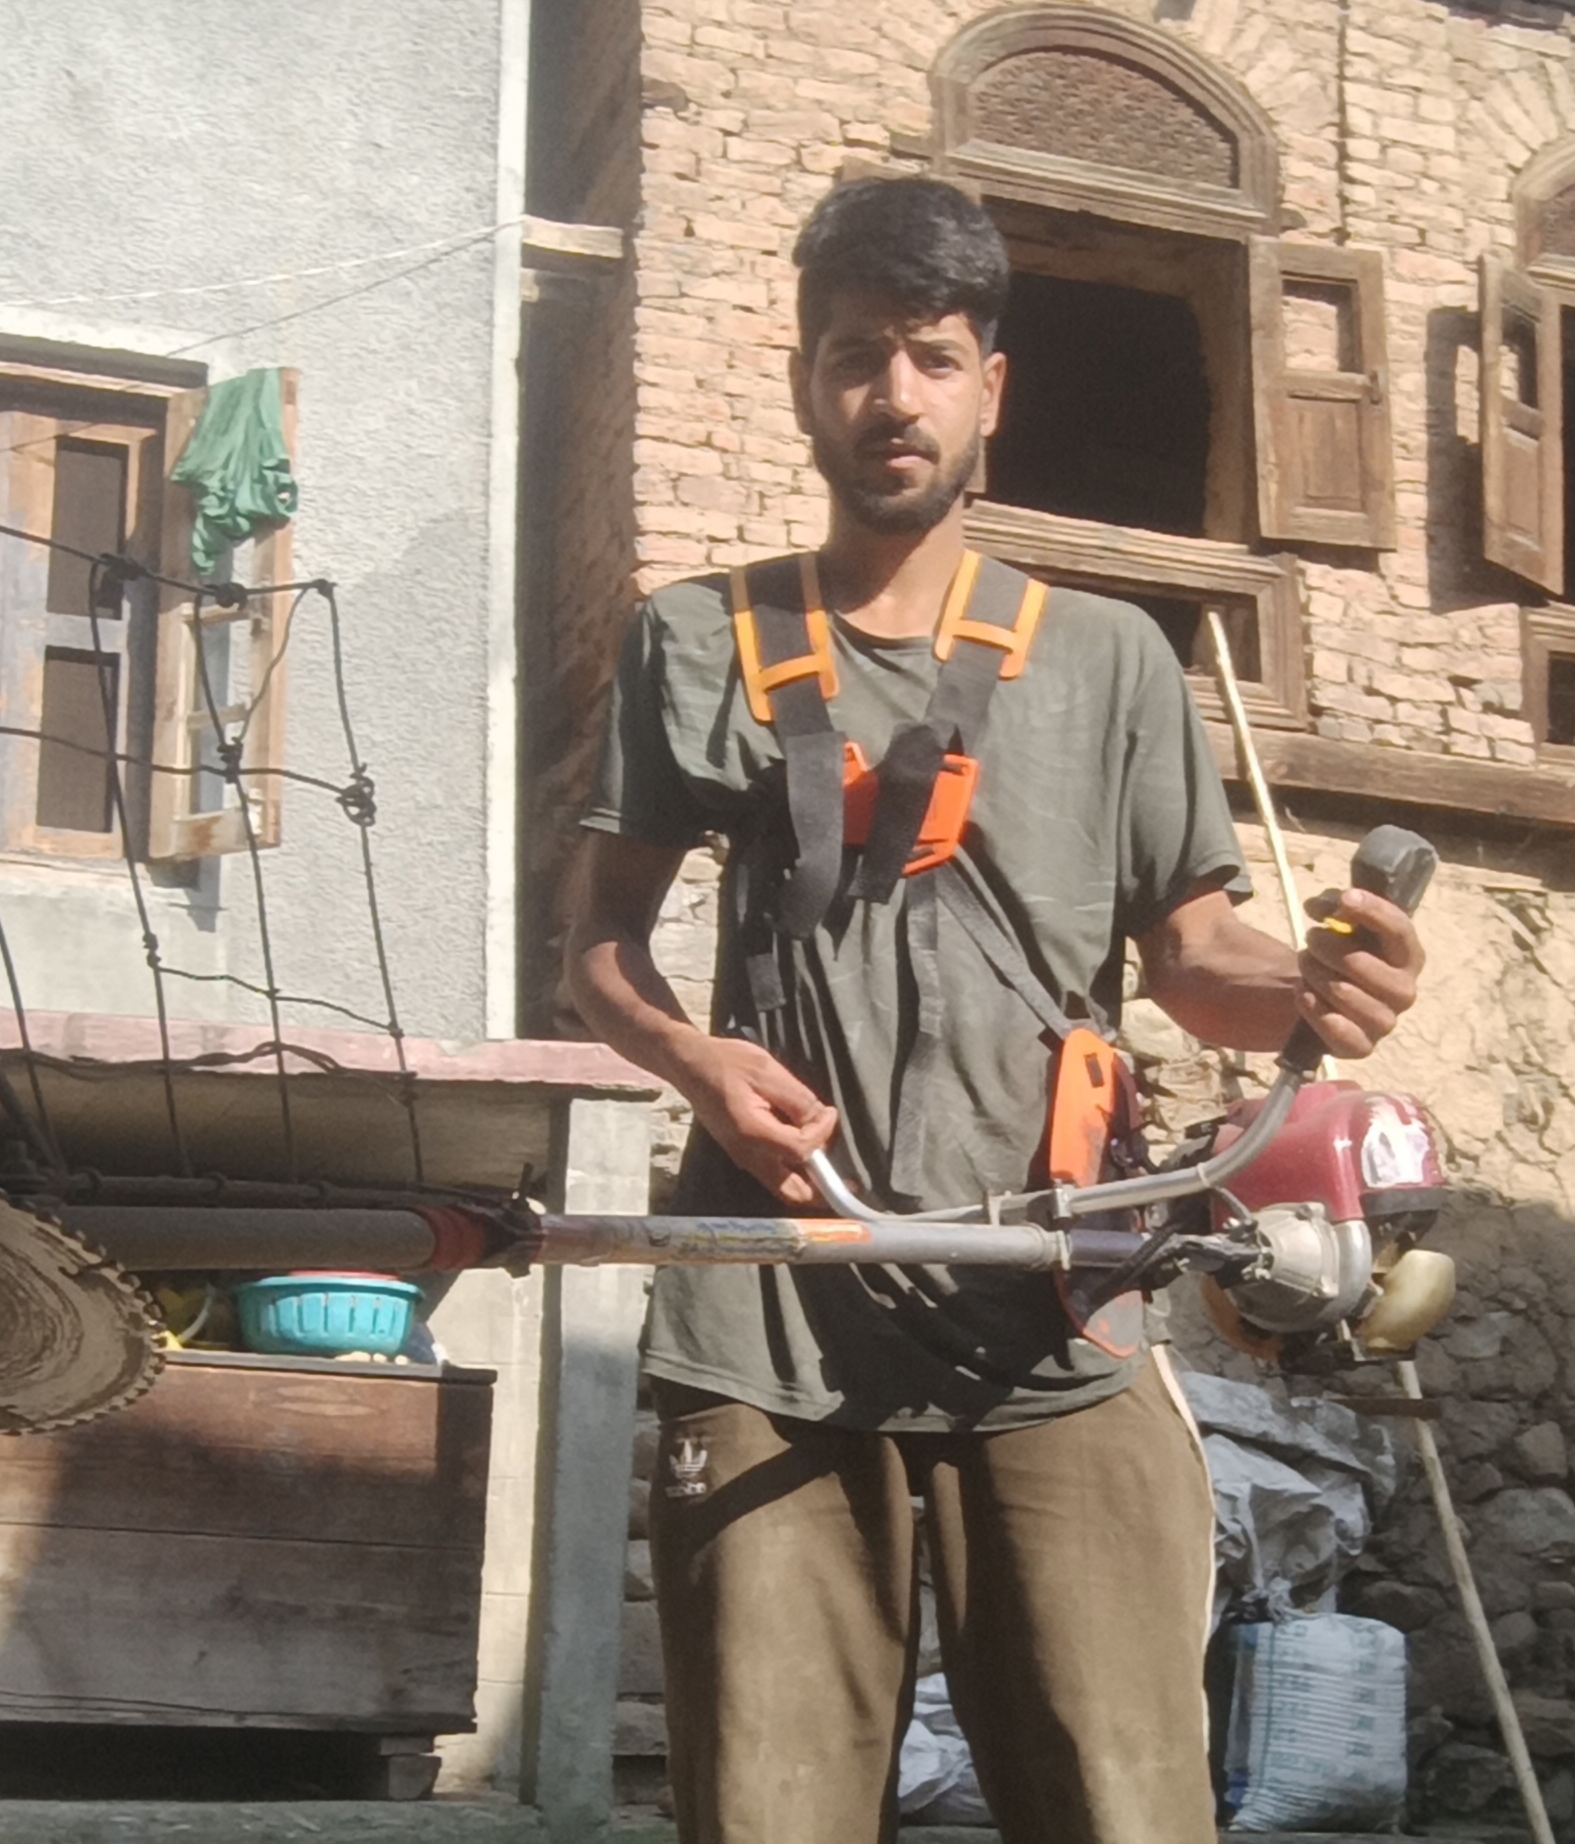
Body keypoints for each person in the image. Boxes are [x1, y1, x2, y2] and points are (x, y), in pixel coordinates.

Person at [564, 175, 1423, 1844]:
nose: (893, 396)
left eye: (934, 358)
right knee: (765, 1814)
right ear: (805, 383)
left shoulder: (1111, 662)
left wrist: (1320, 981)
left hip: (1056, 1308)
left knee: (1122, 1801)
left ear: (992, 389)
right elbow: (596, 950)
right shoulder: (697, 641)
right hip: (774, 1320)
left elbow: (1198, 959)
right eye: (854, 357)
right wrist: (696, 1060)